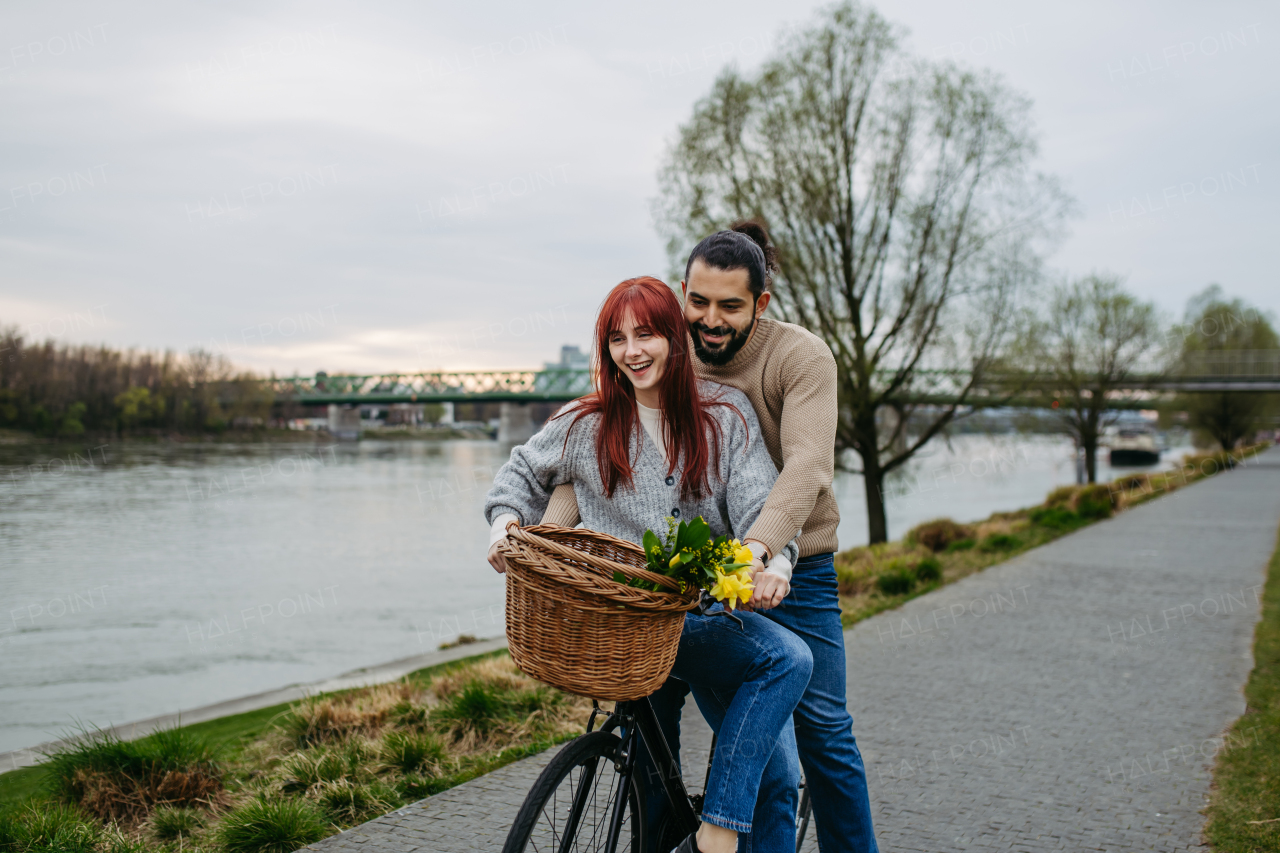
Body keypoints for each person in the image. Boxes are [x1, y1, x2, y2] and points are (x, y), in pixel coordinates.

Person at [543, 223, 880, 852]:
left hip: (791, 565)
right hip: (689, 574)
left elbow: (806, 467)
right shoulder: (667, 351)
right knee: (648, 723)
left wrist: (757, 553)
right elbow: (587, 456)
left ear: (761, 303)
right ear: (681, 296)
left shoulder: (801, 358)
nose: (711, 320)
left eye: (730, 305)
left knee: (822, 732)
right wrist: (543, 538)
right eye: (699, 302)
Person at [484, 276, 812, 853]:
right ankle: (716, 834)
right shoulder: (586, 423)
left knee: (781, 753)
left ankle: (716, 829)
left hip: (698, 617)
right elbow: (518, 476)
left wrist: (774, 564)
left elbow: (762, 508)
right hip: (620, 626)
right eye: (616, 338)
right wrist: (503, 526)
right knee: (788, 658)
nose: (631, 351)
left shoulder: (725, 417)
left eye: (646, 334)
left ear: (674, 339)